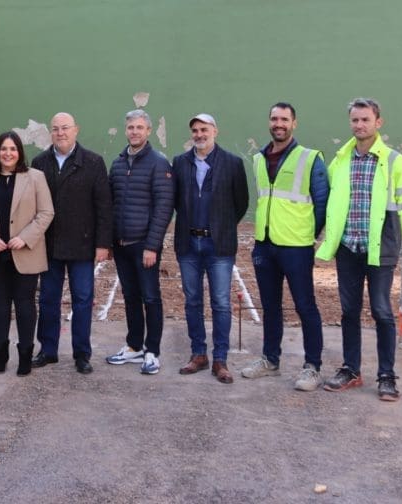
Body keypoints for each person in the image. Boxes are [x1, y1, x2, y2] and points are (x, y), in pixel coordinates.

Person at [317, 98, 402, 401]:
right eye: (355, 120)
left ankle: (387, 376)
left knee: (381, 311)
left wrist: (391, 238)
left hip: (379, 250)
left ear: (378, 122)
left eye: (365, 119)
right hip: (348, 248)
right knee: (349, 311)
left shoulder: (395, 162)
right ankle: (351, 370)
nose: (360, 125)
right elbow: (332, 203)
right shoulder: (341, 161)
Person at [241, 103, 329, 392]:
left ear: (294, 123)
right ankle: (270, 360)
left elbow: (322, 203)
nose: (278, 124)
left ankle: (312, 367)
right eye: (274, 119)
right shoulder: (258, 159)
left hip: (296, 247)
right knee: (270, 306)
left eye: (284, 119)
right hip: (265, 245)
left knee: (305, 306)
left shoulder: (310, 158)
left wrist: (308, 234)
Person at [30, 112, 111, 374]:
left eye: (65, 128)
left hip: (82, 245)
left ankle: (82, 354)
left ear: (76, 130)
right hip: (49, 245)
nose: (60, 133)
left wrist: (102, 244)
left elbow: (103, 206)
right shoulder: (39, 163)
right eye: (55, 128)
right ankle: (48, 350)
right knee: (48, 299)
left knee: (83, 300)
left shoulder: (93, 162)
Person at [0, 131, 54, 376]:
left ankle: (25, 355)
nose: (8, 153)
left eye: (13, 149)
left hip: (25, 252)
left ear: (20, 152)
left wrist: (24, 238)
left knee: (25, 305)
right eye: (4, 149)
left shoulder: (35, 177)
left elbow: (46, 212)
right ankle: (0, 354)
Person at [172, 113, 248, 384]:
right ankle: (198, 354)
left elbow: (241, 203)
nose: (199, 134)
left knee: (221, 303)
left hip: (219, 245)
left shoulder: (232, 163)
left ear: (215, 131)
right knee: (192, 301)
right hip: (188, 243)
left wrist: (220, 226)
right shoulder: (180, 163)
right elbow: (177, 200)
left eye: (204, 129)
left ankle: (220, 359)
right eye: (195, 130)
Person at [105, 109, 174, 376]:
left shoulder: (158, 163)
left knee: (151, 297)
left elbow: (164, 208)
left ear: (148, 131)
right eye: (131, 127)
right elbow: (110, 204)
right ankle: (134, 346)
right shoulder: (118, 163)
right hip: (122, 245)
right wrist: (110, 241)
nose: (134, 132)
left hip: (144, 245)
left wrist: (152, 246)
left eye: (139, 127)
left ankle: (152, 351)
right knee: (130, 296)